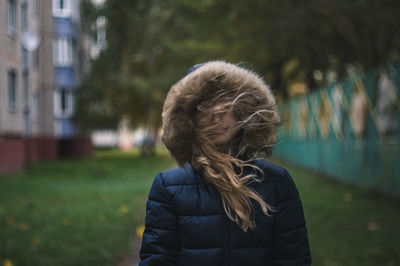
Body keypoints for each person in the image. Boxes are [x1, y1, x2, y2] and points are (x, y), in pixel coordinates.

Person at [139, 61, 311, 266]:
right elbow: (158, 259)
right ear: (188, 120)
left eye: (224, 106)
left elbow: (293, 259)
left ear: (243, 109)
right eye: (204, 110)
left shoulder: (277, 182)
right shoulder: (168, 186)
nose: (216, 118)